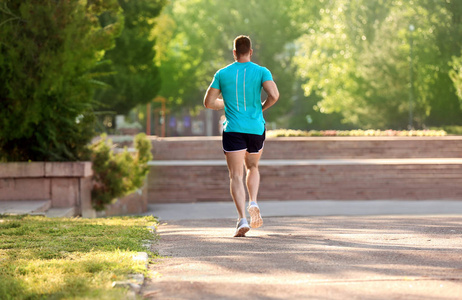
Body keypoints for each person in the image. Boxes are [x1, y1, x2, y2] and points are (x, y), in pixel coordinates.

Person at [203, 35, 279, 237]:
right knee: (252, 167)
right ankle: (253, 200)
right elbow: (274, 95)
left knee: (235, 175)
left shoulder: (222, 73)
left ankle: (242, 219)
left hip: (234, 129)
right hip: (255, 128)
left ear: (234, 52)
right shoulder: (262, 71)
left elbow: (209, 102)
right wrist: (261, 108)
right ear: (251, 52)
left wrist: (225, 104)